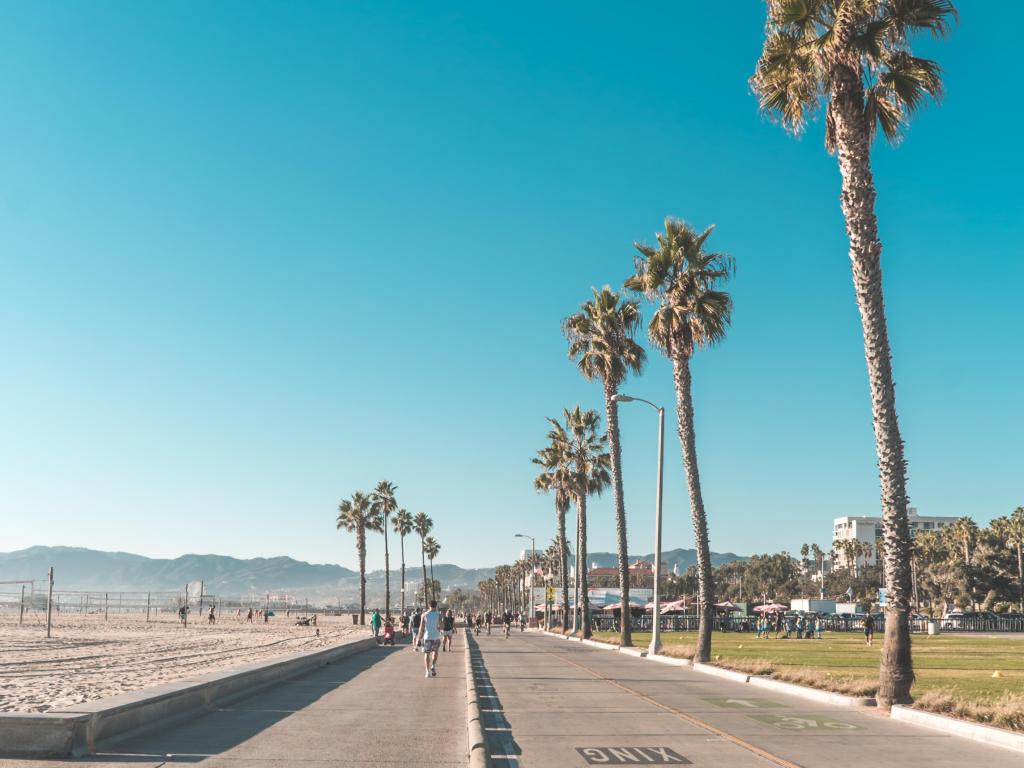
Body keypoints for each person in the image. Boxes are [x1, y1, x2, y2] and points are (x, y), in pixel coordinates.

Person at [417, 599, 442, 678]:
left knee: (427, 654)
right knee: (435, 652)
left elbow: (421, 627)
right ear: (436, 606)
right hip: (436, 637)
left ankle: (427, 672)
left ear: (429, 606)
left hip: (427, 637)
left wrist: (418, 638)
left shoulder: (424, 615)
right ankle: (433, 666)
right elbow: (442, 626)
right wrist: (438, 627)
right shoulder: (439, 615)